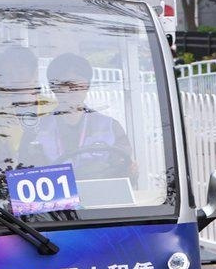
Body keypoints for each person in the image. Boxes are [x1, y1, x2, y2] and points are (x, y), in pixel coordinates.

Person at [19, 52, 134, 180]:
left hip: (101, 197)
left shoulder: (111, 127)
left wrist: (131, 171)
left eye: (79, 84)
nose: (72, 90)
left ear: (88, 86)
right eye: (65, 84)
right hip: (55, 198)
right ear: (53, 87)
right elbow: (26, 175)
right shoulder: (36, 131)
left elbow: (125, 173)